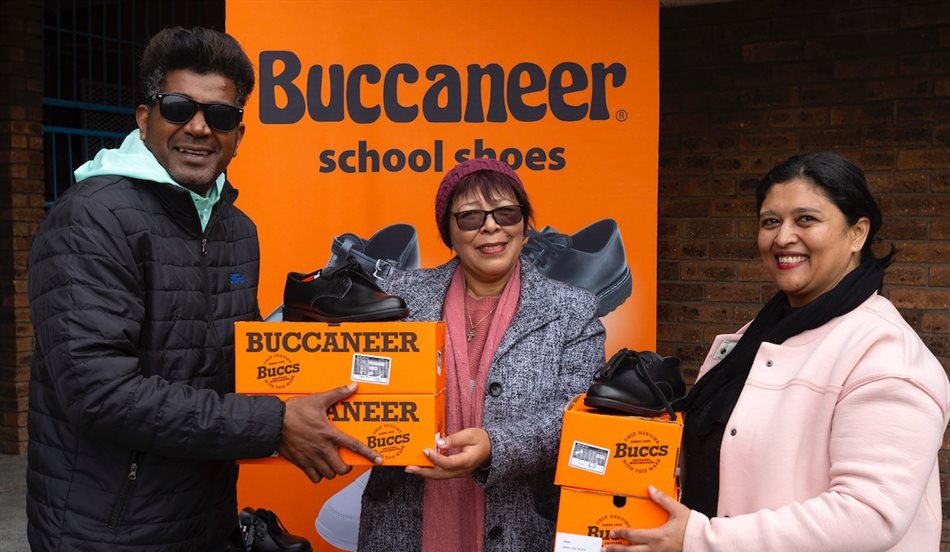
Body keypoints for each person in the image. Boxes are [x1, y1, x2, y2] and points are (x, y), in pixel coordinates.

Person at [26, 27, 379, 551]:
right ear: (145, 117)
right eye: (177, 108)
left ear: (239, 133)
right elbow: (99, 393)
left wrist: (354, 380)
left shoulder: (237, 229)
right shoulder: (91, 218)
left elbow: (233, 364)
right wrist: (277, 422)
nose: (198, 128)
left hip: (204, 516)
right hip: (107, 529)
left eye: (220, 116)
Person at [605, 152, 950, 552]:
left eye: (806, 219)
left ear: (857, 233)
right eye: (771, 221)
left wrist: (702, 538)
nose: (783, 237)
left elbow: (869, 516)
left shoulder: (886, 356)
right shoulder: (760, 335)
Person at [356, 158, 606, 551]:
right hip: (403, 518)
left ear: (525, 226)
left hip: (520, 526)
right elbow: (360, 381)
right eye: (471, 217)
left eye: (506, 212)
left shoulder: (572, 309)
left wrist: (497, 445)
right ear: (449, 233)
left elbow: (576, 413)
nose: (491, 226)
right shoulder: (398, 299)